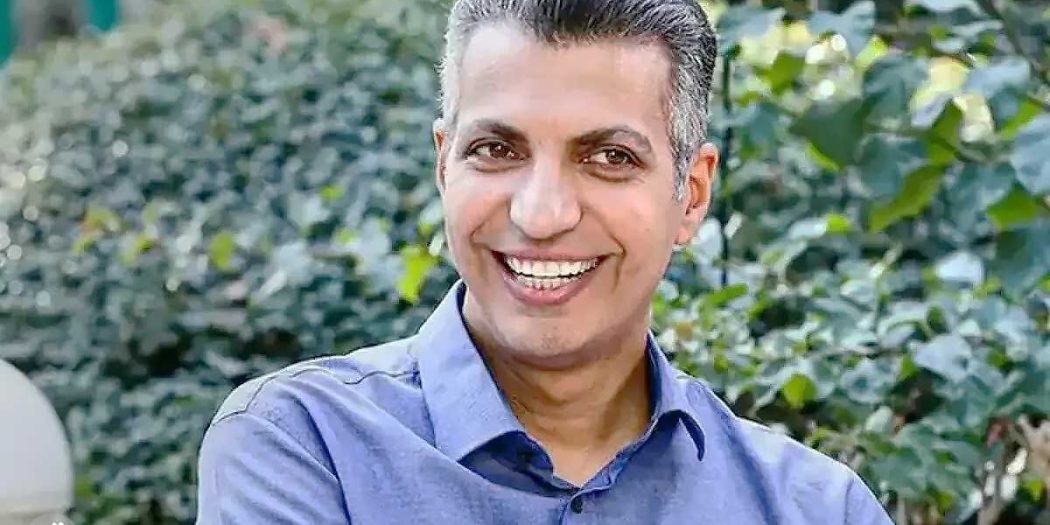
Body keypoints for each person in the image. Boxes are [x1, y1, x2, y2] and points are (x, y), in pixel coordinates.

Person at [196, 0, 894, 523]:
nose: (541, 214)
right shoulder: (304, 447)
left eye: (609, 157)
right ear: (444, 167)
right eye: (496, 150)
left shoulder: (814, 507)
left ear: (691, 194)